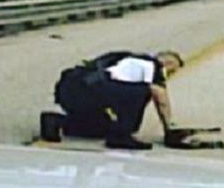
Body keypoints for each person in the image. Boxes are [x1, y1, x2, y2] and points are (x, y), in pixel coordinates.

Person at [46, 50, 184, 150]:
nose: (169, 76)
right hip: (89, 91)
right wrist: (169, 130)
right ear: (167, 63)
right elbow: (160, 97)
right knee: (142, 91)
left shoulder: (124, 59)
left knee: (105, 127)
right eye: (172, 70)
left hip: (70, 90)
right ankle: (122, 136)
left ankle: (56, 121)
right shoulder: (151, 65)